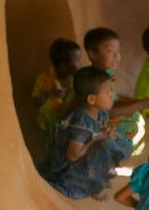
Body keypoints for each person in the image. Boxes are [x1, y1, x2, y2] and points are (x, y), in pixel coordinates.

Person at [38, 66, 119, 200]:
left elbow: (100, 129)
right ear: (92, 99)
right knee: (97, 154)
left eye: (111, 90)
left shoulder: (101, 113)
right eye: (107, 92)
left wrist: (106, 132)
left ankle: (97, 182)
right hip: (65, 163)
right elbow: (73, 156)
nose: (112, 95)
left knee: (109, 148)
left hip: (84, 149)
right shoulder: (82, 124)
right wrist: (96, 138)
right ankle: (84, 186)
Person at [83, 27, 149, 159]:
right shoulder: (93, 81)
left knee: (135, 115)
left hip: (102, 118)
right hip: (91, 125)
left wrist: (140, 102)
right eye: (110, 51)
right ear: (93, 54)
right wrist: (142, 104)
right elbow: (106, 113)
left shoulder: (107, 73)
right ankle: (115, 154)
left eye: (118, 51)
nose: (116, 56)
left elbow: (113, 98)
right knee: (131, 122)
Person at [32, 38, 81, 138]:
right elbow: (35, 102)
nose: (80, 64)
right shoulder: (45, 79)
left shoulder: (77, 78)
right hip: (52, 123)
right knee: (54, 102)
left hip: (71, 119)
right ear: (63, 66)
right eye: (77, 61)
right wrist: (51, 94)